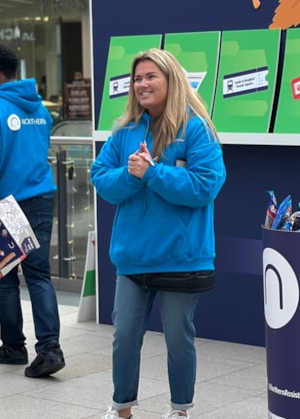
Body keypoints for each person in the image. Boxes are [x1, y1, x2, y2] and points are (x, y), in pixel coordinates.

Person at [90, 48, 226, 419]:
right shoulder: (124, 132)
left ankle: (180, 410)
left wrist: (152, 173)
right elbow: (102, 180)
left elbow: (205, 186)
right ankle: (121, 408)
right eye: (137, 78)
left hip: (182, 257)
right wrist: (132, 174)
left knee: (179, 340)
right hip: (133, 256)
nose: (142, 84)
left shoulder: (196, 128)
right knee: (123, 337)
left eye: (151, 76)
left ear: (171, 80)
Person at [0, 44, 65, 378]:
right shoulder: (40, 110)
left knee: (6, 278)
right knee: (39, 275)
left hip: (4, 206)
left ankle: (13, 347)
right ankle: (50, 348)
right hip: (40, 198)